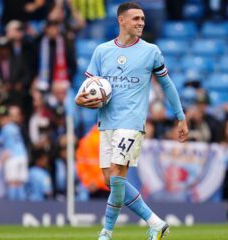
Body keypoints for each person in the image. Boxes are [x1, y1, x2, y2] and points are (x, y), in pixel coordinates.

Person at [75, 3, 188, 240]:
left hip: (132, 123)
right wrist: (80, 99)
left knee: (117, 175)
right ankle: (155, 223)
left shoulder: (151, 51)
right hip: (106, 123)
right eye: (136, 18)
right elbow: (88, 89)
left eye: (143, 19)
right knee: (110, 181)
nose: (141, 23)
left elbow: (167, 85)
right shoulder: (102, 51)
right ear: (121, 20)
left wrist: (180, 117)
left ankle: (106, 232)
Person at [0, 105, 29, 200]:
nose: (2, 120)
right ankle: (22, 206)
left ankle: (12, 207)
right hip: (23, 156)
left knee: (12, 182)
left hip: (13, 157)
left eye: (4, 117)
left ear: (8, 117)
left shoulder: (5, 129)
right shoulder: (15, 127)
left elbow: (2, 144)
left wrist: (1, 159)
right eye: (1, 118)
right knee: (20, 183)